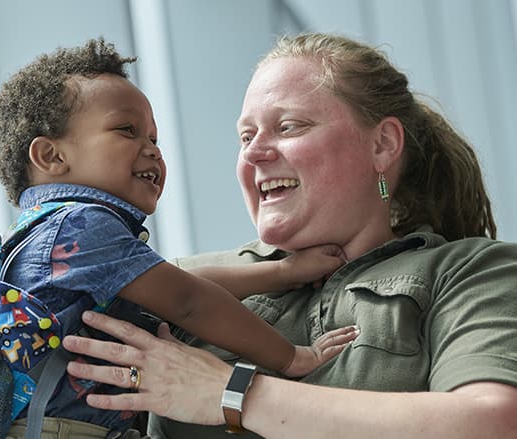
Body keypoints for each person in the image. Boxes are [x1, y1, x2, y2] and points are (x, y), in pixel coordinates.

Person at [62, 32, 517, 438]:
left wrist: (231, 393)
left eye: (288, 126)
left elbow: (492, 423)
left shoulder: (467, 271)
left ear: (382, 145)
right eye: (245, 137)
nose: (255, 153)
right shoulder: (179, 282)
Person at [0, 37, 358, 438]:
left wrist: (284, 272)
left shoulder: (52, 233)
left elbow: (179, 286)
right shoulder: (79, 229)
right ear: (51, 157)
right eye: (127, 131)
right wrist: (293, 358)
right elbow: (189, 301)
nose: (152, 150)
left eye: (154, 138)